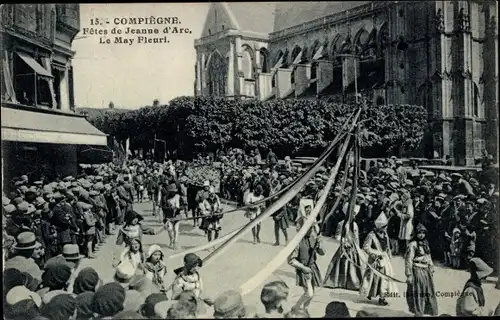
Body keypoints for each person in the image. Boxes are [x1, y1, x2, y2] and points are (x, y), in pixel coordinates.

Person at [359, 213, 398, 306]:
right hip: (375, 260)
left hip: (384, 260)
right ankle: (370, 292)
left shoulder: (385, 235)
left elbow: (387, 247)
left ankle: (382, 297)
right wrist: (374, 254)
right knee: (373, 278)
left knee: (384, 279)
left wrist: (389, 255)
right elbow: (366, 247)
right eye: (384, 227)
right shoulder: (371, 235)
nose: (385, 228)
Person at [288, 215, 325, 312]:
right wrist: (303, 268)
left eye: (312, 227)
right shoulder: (297, 241)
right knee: (309, 293)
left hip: (313, 267)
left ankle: (305, 309)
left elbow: (322, 253)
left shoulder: (313, 238)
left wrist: (320, 244)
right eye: (309, 228)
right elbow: (291, 260)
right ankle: (296, 308)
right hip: (304, 269)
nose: (311, 230)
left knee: (312, 291)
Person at [323, 202, 363, 291]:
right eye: (351, 214)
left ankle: (352, 283)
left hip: (353, 248)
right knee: (342, 264)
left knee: (353, 266)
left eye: (354, 214)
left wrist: (357, 247)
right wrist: (345, 242)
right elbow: (337, 236)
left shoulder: (355, 225)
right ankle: (339, 282)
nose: (353, 216)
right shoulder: (341, 224)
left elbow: (357, 237)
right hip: (344, 247)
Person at [404, 223, 438, 316]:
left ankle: (427, 311)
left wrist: (431, 267)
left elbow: (428, 256)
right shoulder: (413, 244)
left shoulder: (426, 243)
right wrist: (409, 275)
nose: (421, 235)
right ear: (416, 233)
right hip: (417, 270)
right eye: (419, 233)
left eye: (423, 233)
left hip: (426, 270)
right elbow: (409, 260)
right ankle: (418, 312)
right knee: (418, 293)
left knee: (428, 292)